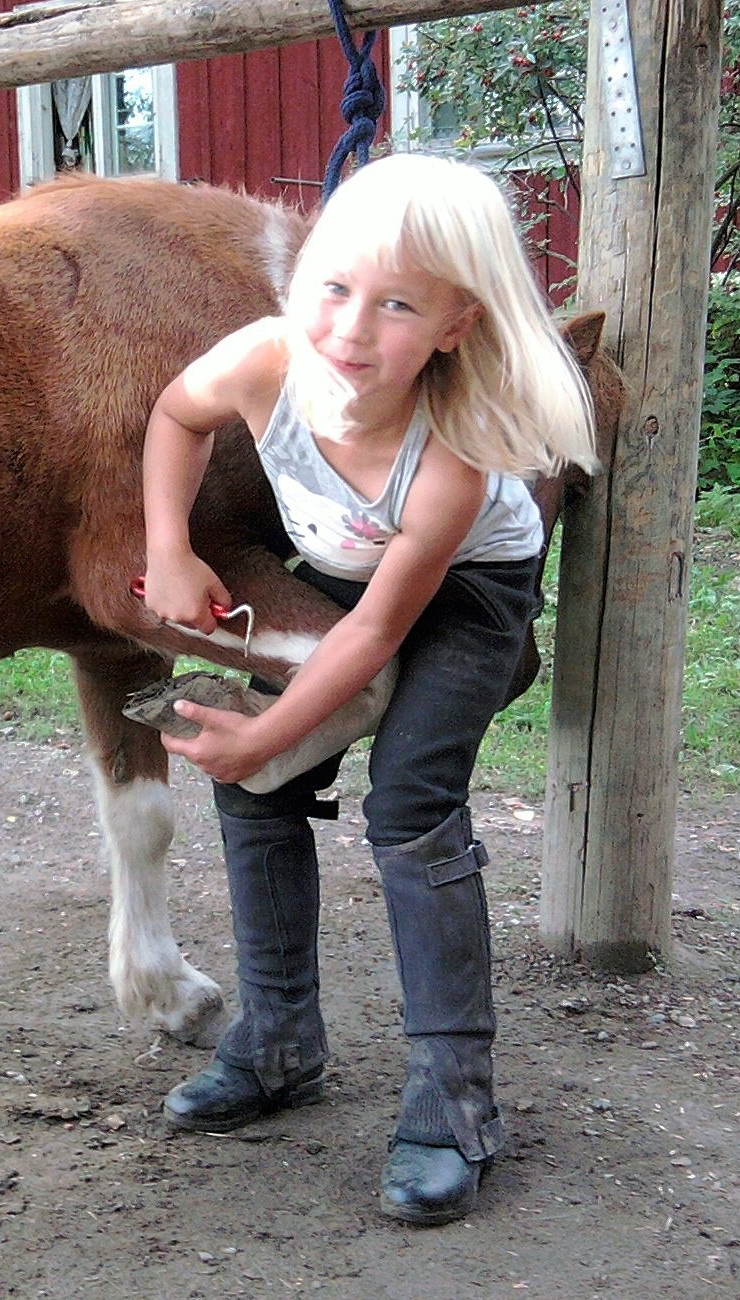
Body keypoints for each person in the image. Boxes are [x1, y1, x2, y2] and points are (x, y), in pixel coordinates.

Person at [138, 152, 596, 1225]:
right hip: (342, 575)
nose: (348, 327)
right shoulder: (262, 361)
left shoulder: (456, 455)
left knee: (408, 807)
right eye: (331, 287)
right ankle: (278, 1041)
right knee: (253, 785)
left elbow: (380, 635)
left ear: (453, 325)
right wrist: (168, 546)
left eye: (394, 304)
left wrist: (264, 737)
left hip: (463, 594)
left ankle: (454, 1106)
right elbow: (173, 414)